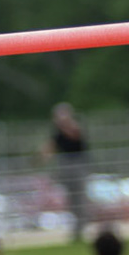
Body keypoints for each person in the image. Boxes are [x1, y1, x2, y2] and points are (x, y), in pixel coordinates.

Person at [45, 103, 91, 240]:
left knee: (80, 197)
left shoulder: (73, 127)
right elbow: (49, 147)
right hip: (65, 167)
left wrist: (64, 124)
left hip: (78, 165)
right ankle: (76, 228)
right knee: (71, 199)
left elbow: (74, 135)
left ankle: (81, 227)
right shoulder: (57, 134)